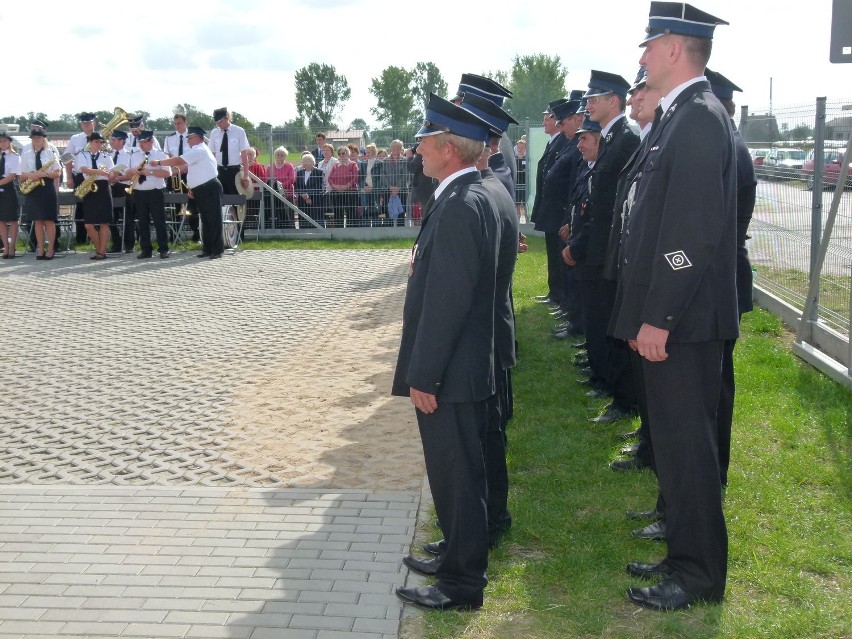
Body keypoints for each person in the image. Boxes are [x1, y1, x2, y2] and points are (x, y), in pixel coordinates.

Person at [610, 2, 737, 611]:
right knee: (677, 447)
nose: (640, 56)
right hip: (671, 321)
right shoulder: (677, 116)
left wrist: (660, 317)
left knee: (689, 452)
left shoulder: (699, 119)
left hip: (683, 325)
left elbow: (691, 234)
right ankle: (684, 554)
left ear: (674, 48)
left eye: (648, 44)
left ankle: (698, 574)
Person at [392, 93, 499, 612]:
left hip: (451, 371)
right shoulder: (464, 195)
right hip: (463, 365)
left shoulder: (460, 205)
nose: (418, 150)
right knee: (457, 474)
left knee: (458, 477)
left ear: (449, 148)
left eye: (424, 141)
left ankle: (461, 584)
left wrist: (425, 375)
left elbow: (448, 302)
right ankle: (456, 558)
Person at [566, 70, 639, 424]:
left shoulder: (625, 137)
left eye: (596, 98)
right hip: (599, 249)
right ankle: (615, 389)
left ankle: (624, 398)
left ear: (614, 101)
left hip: (610, 252)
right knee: (603, 322)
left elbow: (616, 205)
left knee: (612, 325)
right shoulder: (613, 137)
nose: (589, 104)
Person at [152, 126, 224, 259]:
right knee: (206, 220)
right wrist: (191, 187)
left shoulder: (200, 150)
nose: (188, 141)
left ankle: (217, 250)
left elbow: (179, 160)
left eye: (189, 138)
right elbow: (194, 170)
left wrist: (159, 162)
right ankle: (208, 248)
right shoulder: (196, 150)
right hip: (201, 188)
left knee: (213, 219)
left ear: (197, 138)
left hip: (209, 187)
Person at [530, 99, 570, 308]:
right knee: (553, 254)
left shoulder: (564, 141)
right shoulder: (554, 141)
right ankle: (554, 292)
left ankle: (559, 294)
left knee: (559, 255)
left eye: (548, 118)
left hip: (558, 210)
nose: (544, 122)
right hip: (551, 209)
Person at [124, 130, 171, 259]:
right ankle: (146, 249)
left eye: (144, 142)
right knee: (142, 222)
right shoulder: (134, 155)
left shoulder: (161, 155)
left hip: (155, 191)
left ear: (151, 142)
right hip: (139, 191)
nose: (141, 145)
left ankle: (163, 249)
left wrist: (149, 172)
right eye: (139, 142)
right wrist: (131, 170)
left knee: (159, 220)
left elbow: (167, 173)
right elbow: (127, 171)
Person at [19, 129, 61, 259]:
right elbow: (20, 174)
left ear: (44, 139)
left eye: (39, 137)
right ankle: (41, 249)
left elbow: (58, 172)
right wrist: (30, 175)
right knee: (37, 220)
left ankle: (51, 249)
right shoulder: (26, 154)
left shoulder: (50, 153)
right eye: (34, 138)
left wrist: (45, 174)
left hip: (47, 186)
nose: (36, 140)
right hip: (33, 188)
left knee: (49, 220)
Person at [76, 132, 115, 260]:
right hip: (89, 186)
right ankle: (99, 248)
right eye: (96, 142)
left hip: (103, 187)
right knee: (88, 224)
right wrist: (99, 171)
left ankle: (102, 252)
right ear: (90, 142)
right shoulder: (82, 154)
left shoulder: (106, 156)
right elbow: (84, 169)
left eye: (101, 142)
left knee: (104, 222)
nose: (99, 144)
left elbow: (112, 173)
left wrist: (113, 175)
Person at [163, 113, 199, 242]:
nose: (177, 126)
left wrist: (185, 167)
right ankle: (174, 235)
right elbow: (167, 157)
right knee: (174, 206)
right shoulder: (169, 138)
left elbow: (195, 156)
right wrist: (172, 169)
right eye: (175, 123)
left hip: (189, 174)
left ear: (185, 123)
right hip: (174, 175)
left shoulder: (192, 137)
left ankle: (196, 234)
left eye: (179, 123)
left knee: (192, 205)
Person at [64, 112, 97, 244]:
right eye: (84, 123)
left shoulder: (100, 137)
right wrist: (69, 177)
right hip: (80, 177)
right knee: (81, 207)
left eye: (89, 122)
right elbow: (67, 158)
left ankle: (96, 238)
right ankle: (81, 239)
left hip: (96, 177)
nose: (87, 125)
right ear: (81, 125)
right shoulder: (75, 138)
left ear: (94, 123)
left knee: (97, 207)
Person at [207, 108, 250, 196]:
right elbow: (212, 154)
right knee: (220, 199)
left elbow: (244, 154)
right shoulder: (214, 133)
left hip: (234, 171)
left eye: (220, 121)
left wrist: (246, 175)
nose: (218, 124)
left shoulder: (239, 131)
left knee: (235, 199)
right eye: (217, 122)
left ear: (227, 118)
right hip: (219, 171)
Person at [106, 130, 133, 253]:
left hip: (124, 187)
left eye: (114, 140)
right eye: (111, 139)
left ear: (122, 141)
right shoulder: (109, 155)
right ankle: (116, 243)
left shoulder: (129, 155)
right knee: (111, 217)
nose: (111, 142)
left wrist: (119, 176)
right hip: (111, 187)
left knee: (127, 216)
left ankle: (129, 245)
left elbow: (130, 173)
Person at [327, 146, 358, 227]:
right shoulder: (335, 165)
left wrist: (346, 186)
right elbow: (330, 178)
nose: (341, 155)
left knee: (350, 212)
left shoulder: (353, 164)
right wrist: (334, 186)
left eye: (343, 153)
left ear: (348, 154)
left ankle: (350, 232)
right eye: (339, 154)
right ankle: (339, 232)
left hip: (350, 192)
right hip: (336, 193)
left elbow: (356, 177)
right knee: (338, 212)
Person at [0, 132, 20, 259]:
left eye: (4, 141)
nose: (2, 143)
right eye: (0, 141)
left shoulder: (14, 156)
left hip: (8, 188)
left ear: (9, 142)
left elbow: (13, 175)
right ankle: (5, 246)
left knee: (12, 219)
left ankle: (12, 246)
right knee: (1, 220)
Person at [267, 146, 296, 228]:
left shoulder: (289, 166)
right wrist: (276, 188)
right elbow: (267, 179)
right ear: (275, 156)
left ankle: (290, 228)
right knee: (278, 211)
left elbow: (291, 179)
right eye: (278, 155)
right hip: (274, 194)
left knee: (288, 213)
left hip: (287, 193)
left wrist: (280, 187)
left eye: (282, 155)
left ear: (285, 156)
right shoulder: (270, 167)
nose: (280, 157)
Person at [294, 153, 324, 227]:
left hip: (314, 199)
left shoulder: (318, 172)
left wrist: (308, 196)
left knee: (315, 217)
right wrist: (303, 195)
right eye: (302, 161)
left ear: (311, 162)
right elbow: (296, 186)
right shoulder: (299, 173)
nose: (303, 163)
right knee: (303, 218)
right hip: (302, 200)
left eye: (305, 161)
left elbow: (319, 186)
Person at [383, 140, 408, 226]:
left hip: (401, 190)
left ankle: (400, 230)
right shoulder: (385, 161)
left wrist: (397, 187)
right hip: (388, 190)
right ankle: (389, 230)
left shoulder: (405, 160)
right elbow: (383, 175)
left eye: (397, 147)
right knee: (388, 210)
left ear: (401, 148)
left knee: (401, 211)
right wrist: (390, 187)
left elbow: (406, 175)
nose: (395, 149)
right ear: (390, 148)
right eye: (393, 147)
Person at [359, 143, 384, 226]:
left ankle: (377, 227)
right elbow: (360, 177)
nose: (367, 154)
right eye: (366, 152)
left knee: (376, 208)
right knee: (365, 208)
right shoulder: (363, 163)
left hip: (375, 189)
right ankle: (365, 227)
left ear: (374, 152)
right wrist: (364, 186)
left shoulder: (380, 163)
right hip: (365, 189)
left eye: (369, 152)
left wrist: (374, 187)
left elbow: (381, 178)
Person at [514, 137, 527, 219]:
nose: (520, 149)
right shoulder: (514, 158)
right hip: (517, 182)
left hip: (526, 183)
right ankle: (518, 219)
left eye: (522, 148)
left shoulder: (528, 159)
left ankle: (527, 218)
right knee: (517, 202)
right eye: (518, 147)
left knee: (525, 201)